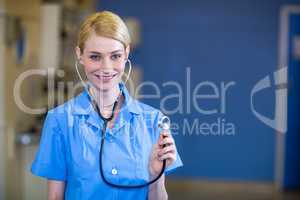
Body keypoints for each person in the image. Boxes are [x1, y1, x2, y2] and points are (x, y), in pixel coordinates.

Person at [31, 11, 183, 200]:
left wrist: (155, 177)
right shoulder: (59, 121)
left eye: (115, 56)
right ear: (80, 55)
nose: (106, 67)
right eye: (95, 57)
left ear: (127, 53)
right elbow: (55, 197)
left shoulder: (154, 121)